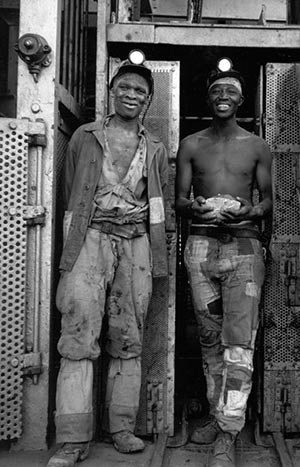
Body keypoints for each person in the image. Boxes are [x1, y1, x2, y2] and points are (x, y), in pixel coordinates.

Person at [47, 50, 168, 467]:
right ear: (111, 92)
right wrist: (75, 245)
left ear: (149, 101)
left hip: (135, 243)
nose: (131, 94)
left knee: (129, 338)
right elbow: (70, 194)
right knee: (77, 336)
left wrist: (157, 256)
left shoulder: (155, 146)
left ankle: (121, 429)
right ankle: (72, 439)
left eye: (139, 90)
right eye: (124, 88)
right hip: (90, 240)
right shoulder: (85, 136)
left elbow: (159, 202)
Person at [175, 58, 272, 467]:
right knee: (211, 340)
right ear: (208, 96)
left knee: (240, 343)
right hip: (200, 249)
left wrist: (249, 212)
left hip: (244, 250)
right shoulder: (192, 144)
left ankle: (228, 433)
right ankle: (221, 416)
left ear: (241, 97)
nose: (223, 97)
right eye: (217, 91)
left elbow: (268, 202)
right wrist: (195, 206)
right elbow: (179, 200)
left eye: (231, 91)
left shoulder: (257, 146)